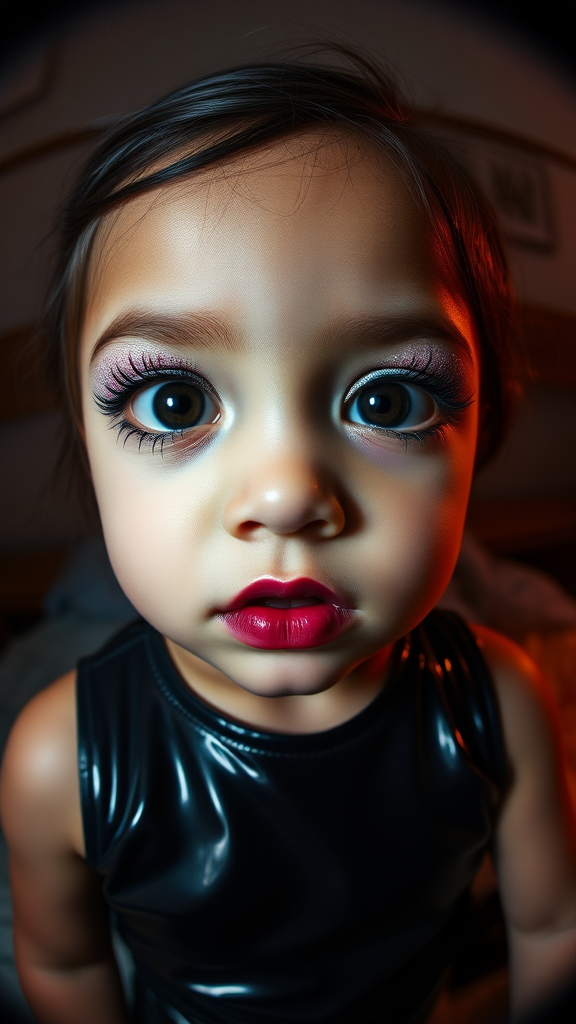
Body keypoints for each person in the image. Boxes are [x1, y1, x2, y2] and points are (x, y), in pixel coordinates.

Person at [1, 46, 575, 1024]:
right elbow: (61, 964)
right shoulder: (61, 755)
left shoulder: (498, 704)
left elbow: (552, 925)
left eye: (389, 398)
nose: (286, 496)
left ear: (480, 437)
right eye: (174, 400)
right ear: (88, 447)